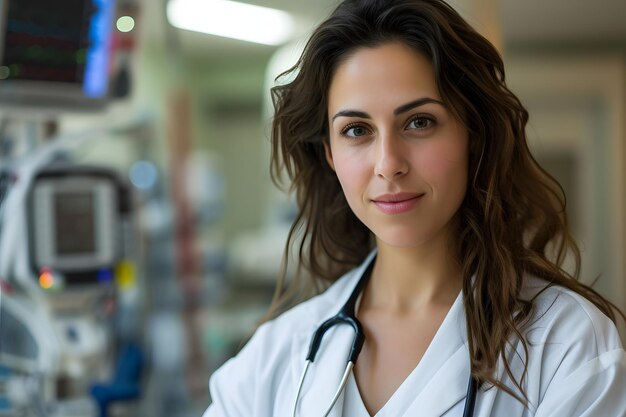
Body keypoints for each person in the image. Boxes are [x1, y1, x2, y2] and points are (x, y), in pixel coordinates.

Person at [202, 0, 626, 416]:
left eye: (419, 122)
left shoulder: (567, 345)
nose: (389, 164)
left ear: (472, 133)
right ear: (329, 153)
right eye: (356, 130)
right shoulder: (278, 357)